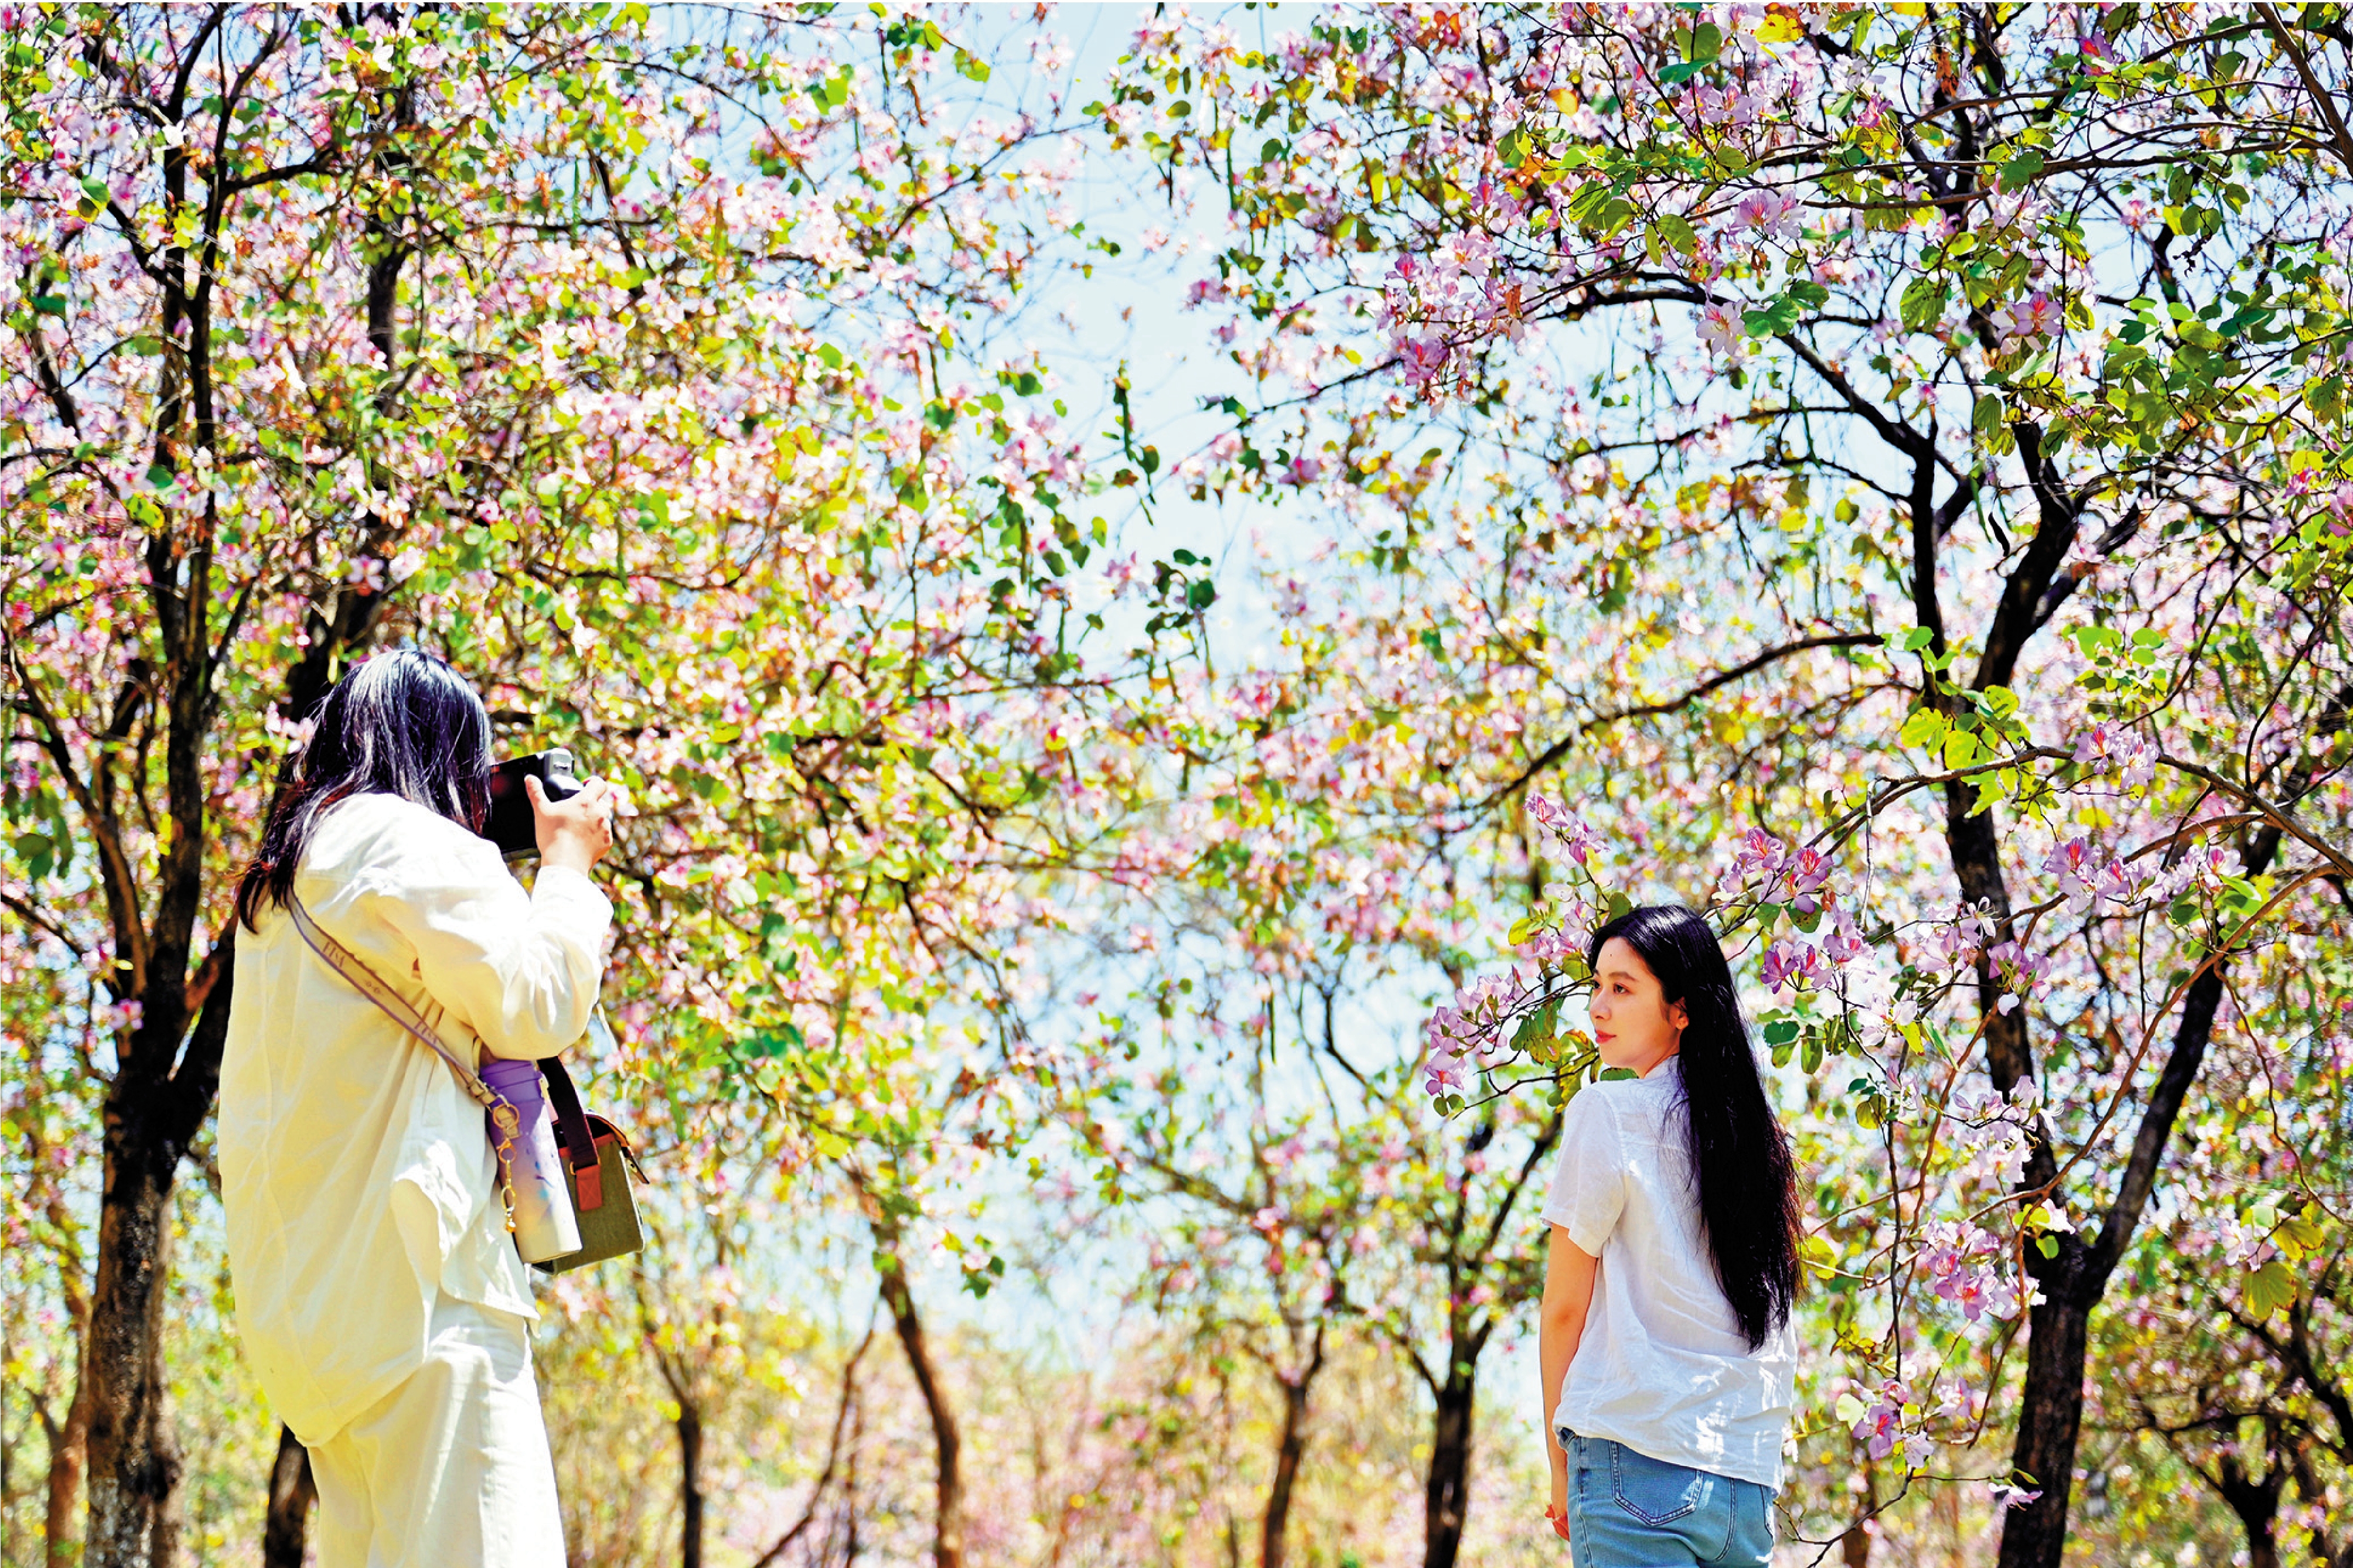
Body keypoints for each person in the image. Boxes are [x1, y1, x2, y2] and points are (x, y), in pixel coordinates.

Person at [221, 650, 616, 1568]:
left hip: (319, 1331)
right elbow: (536, 1002)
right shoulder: (400, 834)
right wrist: (564, 865)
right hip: (428, 1305)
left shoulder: (277, 896)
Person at [1537, 903, 1800, 1566]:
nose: (1597, 1006)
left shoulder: (1607, 1111)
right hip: (1744, 1488)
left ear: (1680, 1008)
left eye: (1622, 988)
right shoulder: (1756, 1141)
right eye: (1595, 984)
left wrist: (1558, 1464)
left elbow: (1564, 1308)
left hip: (1637, 1464)